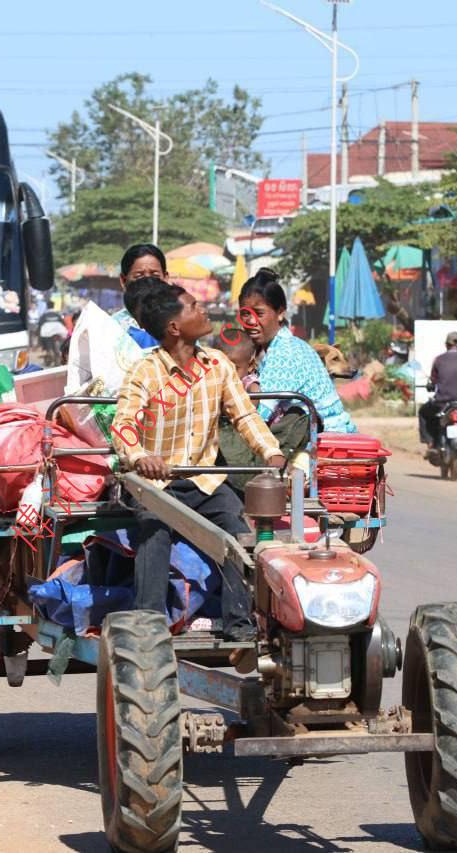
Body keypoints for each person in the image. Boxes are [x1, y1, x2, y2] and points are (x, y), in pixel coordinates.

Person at [113, 283, 285, 642]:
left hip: (205, 480)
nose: (203, 309)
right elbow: (124, 426)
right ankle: (150, 626)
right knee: (154, 530)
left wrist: (271, 452)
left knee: (236, 526)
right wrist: (142, 457)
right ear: (174, 327)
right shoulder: (145, 371)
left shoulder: (218, 364)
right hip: (155, 485)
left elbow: (246, 416)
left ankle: (239, 625)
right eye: (193, 307)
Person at [238, 269, 358, 435]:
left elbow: (258, 417)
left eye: (259, 313)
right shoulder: (278, 347)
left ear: (280, 313)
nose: (251, 321)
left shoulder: (285, 353)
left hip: (324, 442)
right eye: (245, 314)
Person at [111, 243, 167, 350]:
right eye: (139, 276)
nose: (148, 282)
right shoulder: (112, 327)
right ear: (123, 281)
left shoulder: (180, 324)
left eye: (154, 275)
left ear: (165, 278)